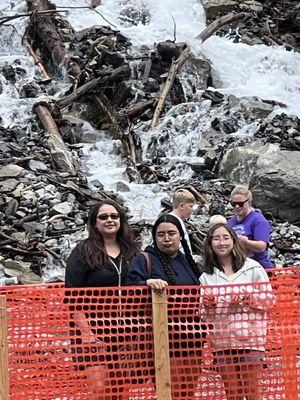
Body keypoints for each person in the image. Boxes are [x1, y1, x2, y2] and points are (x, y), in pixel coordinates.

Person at [65, 199, 138, 400]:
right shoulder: (83, 251)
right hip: (93, 332)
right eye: (103, 217)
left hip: (126, 333)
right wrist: (86, 333)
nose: (109, 220)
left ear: (121, 220)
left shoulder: (132, 251)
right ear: (94, 223)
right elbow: (72, 295)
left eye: (114, 216)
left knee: (121, 392)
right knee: (101, 392)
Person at [126, 214, 202, 399]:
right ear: (154, 237)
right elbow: (128, 292)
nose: (167, 239)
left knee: (188, 392)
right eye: (161, 235)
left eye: (171, 233)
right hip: (162, 338)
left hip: (192, 338)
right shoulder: (144, 260)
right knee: (171, 392)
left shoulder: (188, 262)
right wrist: (146, 284)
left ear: (180, 236)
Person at [200, 223, 274, 400]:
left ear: (234, 241)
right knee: (232, 395)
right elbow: (202, 314)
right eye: (216, 238)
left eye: (225, 237)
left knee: (252, 392)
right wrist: (208, 306)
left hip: (251, 341)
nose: (221, 242)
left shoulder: (253, 268)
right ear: (210, 244)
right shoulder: (206, 276)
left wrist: (248, 298)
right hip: (222, 343)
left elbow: (270, 300)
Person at [228, 186, 273, 269]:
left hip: (259, 267)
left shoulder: (258, 220)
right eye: (234, 204)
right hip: (238, 266)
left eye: (240, 203)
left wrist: (246, 242)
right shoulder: (230, 222)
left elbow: (262, 247)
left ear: (249, 202)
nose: (237, 206)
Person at [169, 188, 196, 254]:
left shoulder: (179, 221)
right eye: (191, 206)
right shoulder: (172, 223)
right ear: (181, 206)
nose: (192, 210)